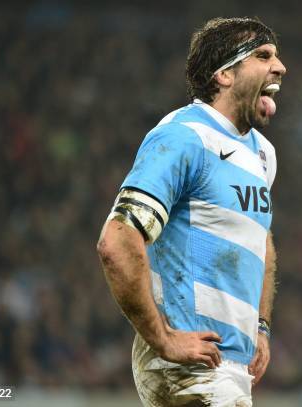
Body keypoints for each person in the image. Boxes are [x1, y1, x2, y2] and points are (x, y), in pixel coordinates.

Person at [97, 17, 286, 406]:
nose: (280, 67)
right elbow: (117, 241)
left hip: (228, 366)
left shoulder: (263, 155)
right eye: (263, 55)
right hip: (186, 367)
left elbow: (260, 241)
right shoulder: (183, 136)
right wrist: (162, 337)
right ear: (225, 75)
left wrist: (260, 327)